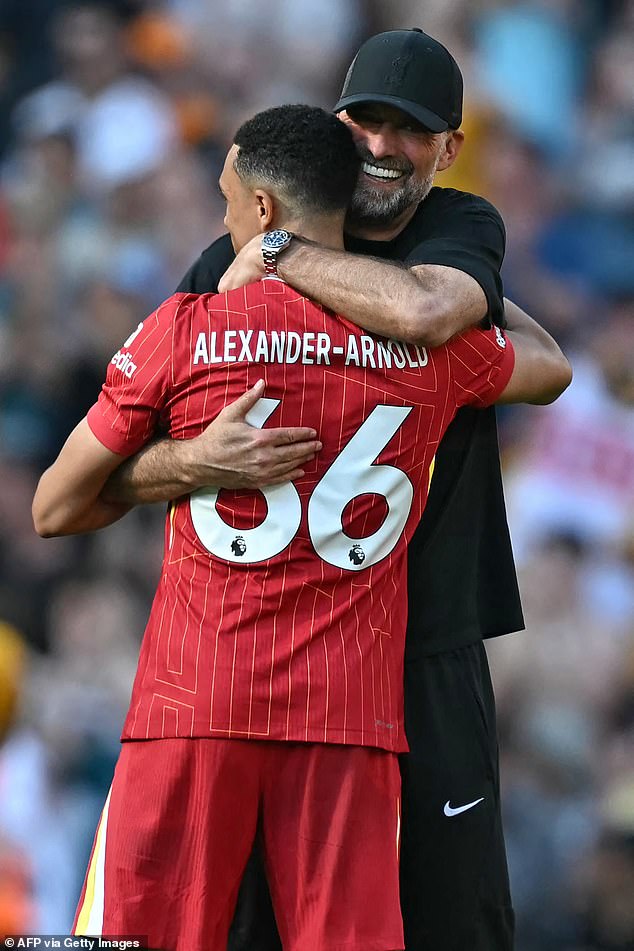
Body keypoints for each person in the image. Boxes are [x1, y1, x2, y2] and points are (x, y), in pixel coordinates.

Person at [32, 105, 570, 949]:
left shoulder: (187, 328)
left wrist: (194, 460)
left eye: (226, 200)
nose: (220, 220)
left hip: (192, 703)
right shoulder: (431, 350)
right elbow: (548, 365)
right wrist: (458, 278)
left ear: (262, 211)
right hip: (347, 723)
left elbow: (53, 507)